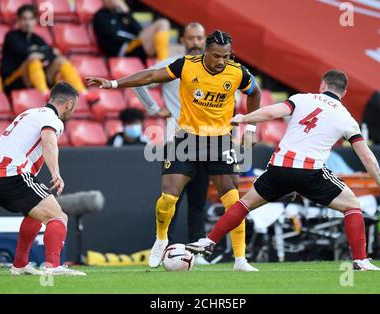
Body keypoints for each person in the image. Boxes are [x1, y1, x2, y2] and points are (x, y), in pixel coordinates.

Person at [186, 70, 380, 271]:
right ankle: (360, 260)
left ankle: (209, 241)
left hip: (280, 167)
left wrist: (244, 118)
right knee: (352, 205)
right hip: (310, 173)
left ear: (323, 85)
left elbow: (271, 112)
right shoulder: (346, 118)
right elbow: (366, 155)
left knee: (245, 204)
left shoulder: (303, 99)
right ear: (344, 92)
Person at [86, 30, 261, 271]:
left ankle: (240, 259)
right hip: (186, 139)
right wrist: (114, 83)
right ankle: (161, 239)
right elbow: (150, 76)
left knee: (232, 199)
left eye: (226, 56)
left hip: (220, 140)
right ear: (207, 52)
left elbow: (255, 92)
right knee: (168, 197)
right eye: (217, 56)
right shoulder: (186, 66)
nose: (221, 61)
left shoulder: (237, 72)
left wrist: (250, 126)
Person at [0, 82, 85, 276]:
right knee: (58, 216)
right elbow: (48, 141)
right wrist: (55, 172)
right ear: (69, 104)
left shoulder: (29, 113)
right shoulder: (51, 118)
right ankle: (52, 267)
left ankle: (19, 265)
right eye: (75, 106)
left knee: (35, 216)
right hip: (12, 174)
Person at [133, 22, 209, 264]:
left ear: (205, 40)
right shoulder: (172, 65)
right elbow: (142, 82)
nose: (195, 42)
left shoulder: (214, 68)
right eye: (191, 38)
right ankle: (167, 247)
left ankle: (198, 252)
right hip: (177, 140)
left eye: (199, 38)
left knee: (199, 202)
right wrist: (155, 109)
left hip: (208, 141)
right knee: (171, 198)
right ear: (183, 40)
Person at [1, 5, 90, 99]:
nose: (27, 23)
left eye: (31, 19)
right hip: (13, 81)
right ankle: (44, 93)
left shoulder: (37, 38)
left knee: (60, 60)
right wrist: (42, 53)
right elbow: (25, 53)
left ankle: (83, 92)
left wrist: (40, 52)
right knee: (33, 60)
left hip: (36, 77)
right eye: (24, 19)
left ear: (35, 21)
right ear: (18, 20)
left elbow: (53, 54)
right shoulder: (11, 36)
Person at [93, 0, 170, 62]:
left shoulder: (121, 14)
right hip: (125, 50)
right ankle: (163, 63)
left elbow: (139, 30)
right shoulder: (100, 16)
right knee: (162, 23)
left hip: (136, 46)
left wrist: (126, 11)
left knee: (178, 48)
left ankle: (163, 62)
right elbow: (113, 36)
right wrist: (133, 39)